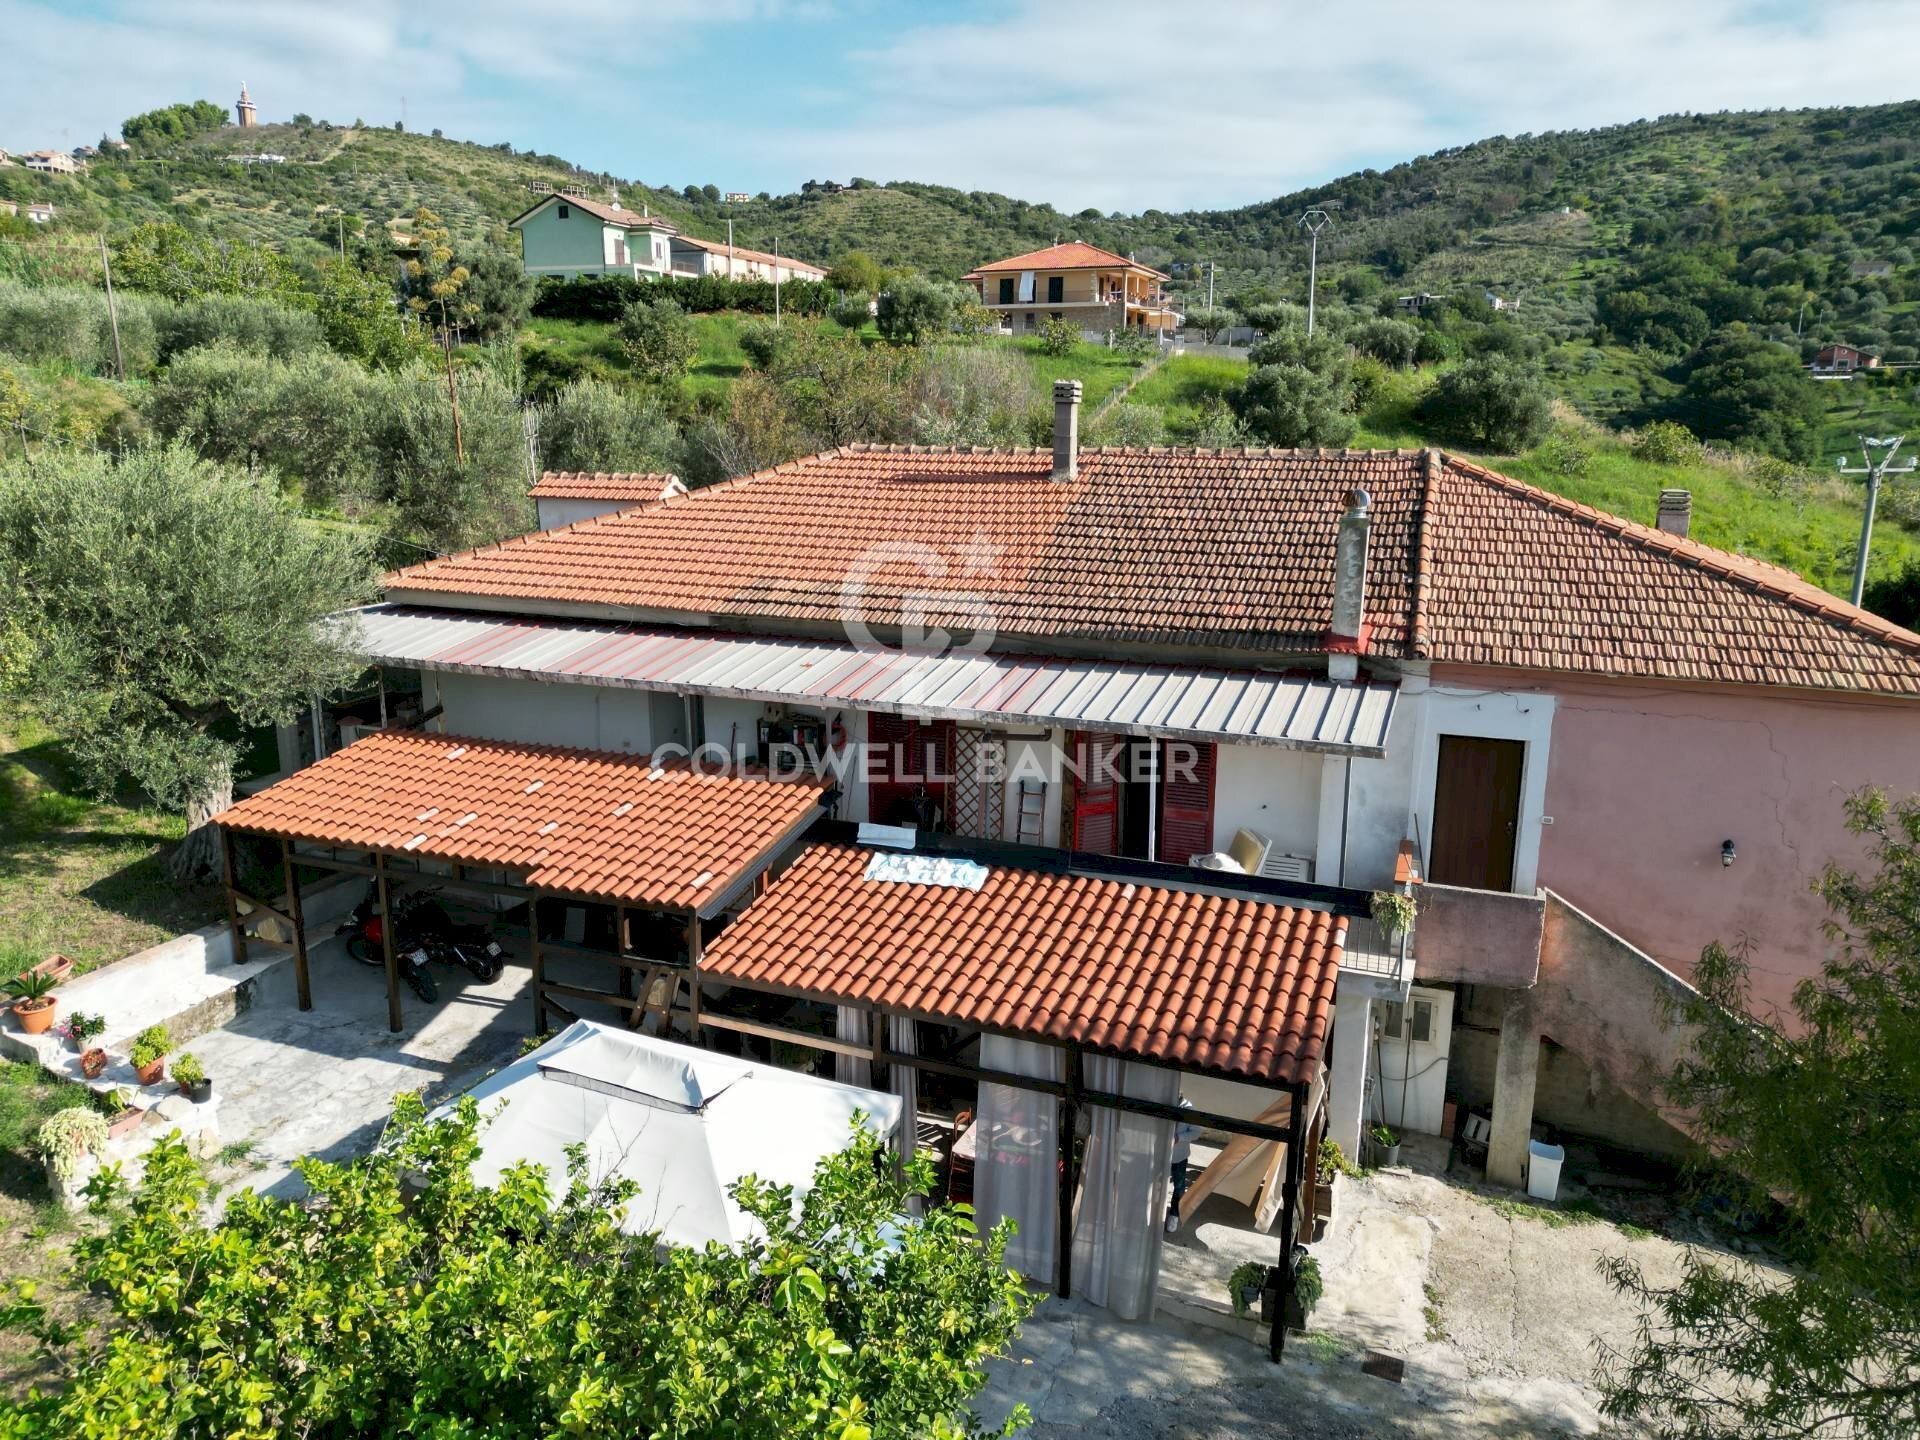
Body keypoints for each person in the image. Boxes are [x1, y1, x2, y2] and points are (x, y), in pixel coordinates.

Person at [1166, 1095, 1200, 1234]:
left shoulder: (1189, 1109)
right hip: (1159, 1153)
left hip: (1178, 1155)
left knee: (1179, 1186)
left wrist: (1180, 1138)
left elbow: (1197, 1132)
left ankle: (1174, 1214)